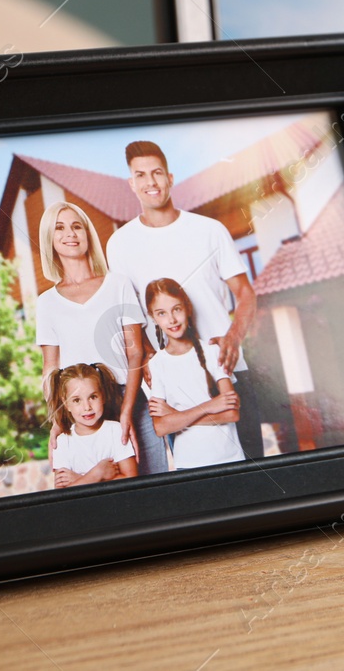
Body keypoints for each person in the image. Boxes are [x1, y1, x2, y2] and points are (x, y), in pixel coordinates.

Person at [106, 140, 263, 458]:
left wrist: (234, 334)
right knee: (198, 478)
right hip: (174, 380)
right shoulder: (120, 244)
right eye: (141, 175)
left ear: (170, 178)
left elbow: (246, 293)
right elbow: (129, 315)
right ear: (131, 183)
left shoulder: (209, 230)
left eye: (157, 173)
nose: (151, 182)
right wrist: (149, 355)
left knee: (254, 475)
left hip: (226, 366)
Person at [33, 199, 166, 474]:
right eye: (60, 228)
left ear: (87, 234)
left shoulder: (118, 284)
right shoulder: (46, 303)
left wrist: (127, 411)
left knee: (154, 484)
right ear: (50, 239)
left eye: (76, 226)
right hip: (80, 409)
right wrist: (58, 418)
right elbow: (50, 368)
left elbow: (136, 353)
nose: (70, 234)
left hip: (126, 395)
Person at [143, 278, 244, 471]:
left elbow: (232, 413)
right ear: (153, 317)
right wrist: (210, 406)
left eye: (177, 309)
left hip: (230, 459)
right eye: (161, 313)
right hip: (188, 463)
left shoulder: (213, 352)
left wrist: (176, 417)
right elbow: (161, 427)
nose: (171, 319)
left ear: (187, 309)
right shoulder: (157, 364)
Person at [46, 363, 139, 489]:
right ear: (66, 404)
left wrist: (80, 479)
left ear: (103, 396)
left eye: (93, 397)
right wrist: (97, 474)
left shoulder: (115, 431)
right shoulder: (62, 442)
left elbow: (131, 480)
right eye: (77, 400)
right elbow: (62, 495)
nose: (87, 407)